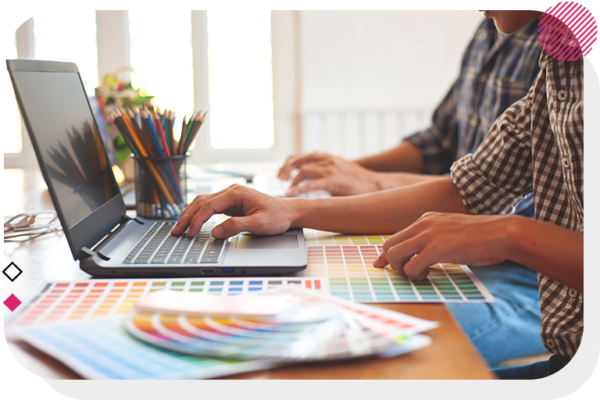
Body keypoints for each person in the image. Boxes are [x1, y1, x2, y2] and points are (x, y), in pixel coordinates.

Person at [173, 9, 583, 378]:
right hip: (566, 347)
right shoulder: (559, 50)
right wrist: (291, 210)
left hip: (539, 298)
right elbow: (468, 187)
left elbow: (481, 204)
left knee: (348, 362)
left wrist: (507, 232)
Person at [278, 12, 547, 368]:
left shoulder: (564, 47)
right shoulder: (494, 27)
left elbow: (492, 204)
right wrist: (340, 177)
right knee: (324, 318)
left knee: (363, 349)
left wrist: (366, 183)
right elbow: (451, 158)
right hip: (471, 253)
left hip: (539, 281)